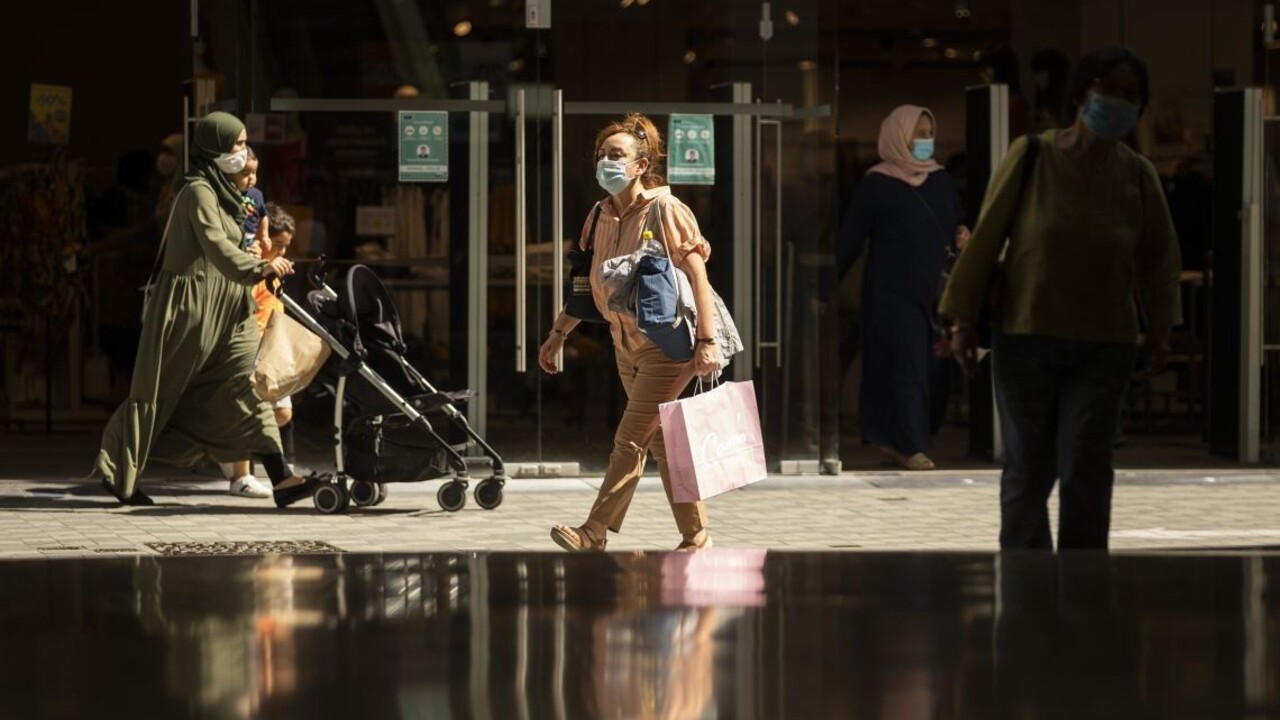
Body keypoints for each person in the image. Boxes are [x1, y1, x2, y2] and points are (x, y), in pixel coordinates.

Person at [941, 47, 1182, 550]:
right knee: (1028, 469)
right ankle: (1027, 593)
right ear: (1081, 94)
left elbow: (1159, 260)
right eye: (1109, 90)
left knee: (1086, 467)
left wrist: (1161, 330)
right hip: (1026, 339)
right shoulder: (1032, 156)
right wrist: (962, 319)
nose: (1118, 103)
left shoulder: (1137, 176)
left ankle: (1083, 590)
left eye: (1131, 97)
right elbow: (985, 239)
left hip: (1105, 346)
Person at [94, 111, 319, 508]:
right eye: (237, 144)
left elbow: (235, 242)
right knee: (159, 393)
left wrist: (256, 253)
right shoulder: (197, 191)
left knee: (243, 387)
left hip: (231, 305)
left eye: (246, 143)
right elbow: (215, 245)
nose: (243, 152)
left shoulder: (232, 193)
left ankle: (282, 479)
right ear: (214, 148)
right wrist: (258, 266)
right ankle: (119, 474)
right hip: (192, 306)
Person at [542, 113, 722, 552]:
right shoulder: (598, 215)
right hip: (627, 345)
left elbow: (698, 274)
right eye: (602, 155)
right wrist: (558, 333)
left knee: (629, 439)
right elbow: (585, 286)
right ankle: (696, 535)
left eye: (617, 155)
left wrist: (708, 340)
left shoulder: (665, 209)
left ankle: (594, 531)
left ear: (641, 165)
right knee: (659, 441)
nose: (606, 162)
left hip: (668, 347)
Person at [836, 106, 968, 471]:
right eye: (917, 133)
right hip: (890, 293)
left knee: (932, 371)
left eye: (929, 133)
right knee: (907, 366)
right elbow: (850, 239)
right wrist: (824, 287)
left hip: (936, 294)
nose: (925, 141)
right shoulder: (876, 183)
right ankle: (912, 446)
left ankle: (892, 439)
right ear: (898, 135)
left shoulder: (941, 180)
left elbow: (955, 222)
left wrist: (962, 235)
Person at [221, 203, 301, 495]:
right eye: (277, 245)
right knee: (252, 413)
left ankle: (237, 459)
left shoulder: (275, 270)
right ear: (263, 241)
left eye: (286, 246)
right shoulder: (252, 270)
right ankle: (240, 474)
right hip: (252, 347)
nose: (282, 252)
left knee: (282, 413)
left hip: (273, 347)